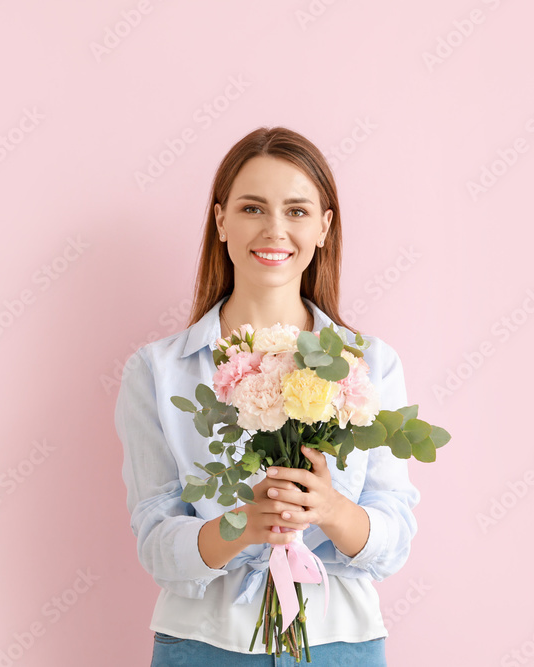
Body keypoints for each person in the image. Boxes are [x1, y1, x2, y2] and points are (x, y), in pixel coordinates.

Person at [114, 126, 420, 666]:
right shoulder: (158, 372)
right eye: (252, 208)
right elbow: (156, 544)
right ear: (221, 221)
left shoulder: (370, 364)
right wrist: (243, 527)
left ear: (325, 227)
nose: (274, 229)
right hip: (203, 645)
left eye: (297, 211)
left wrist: (329, 509)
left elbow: (393, 537)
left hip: (339, 644)